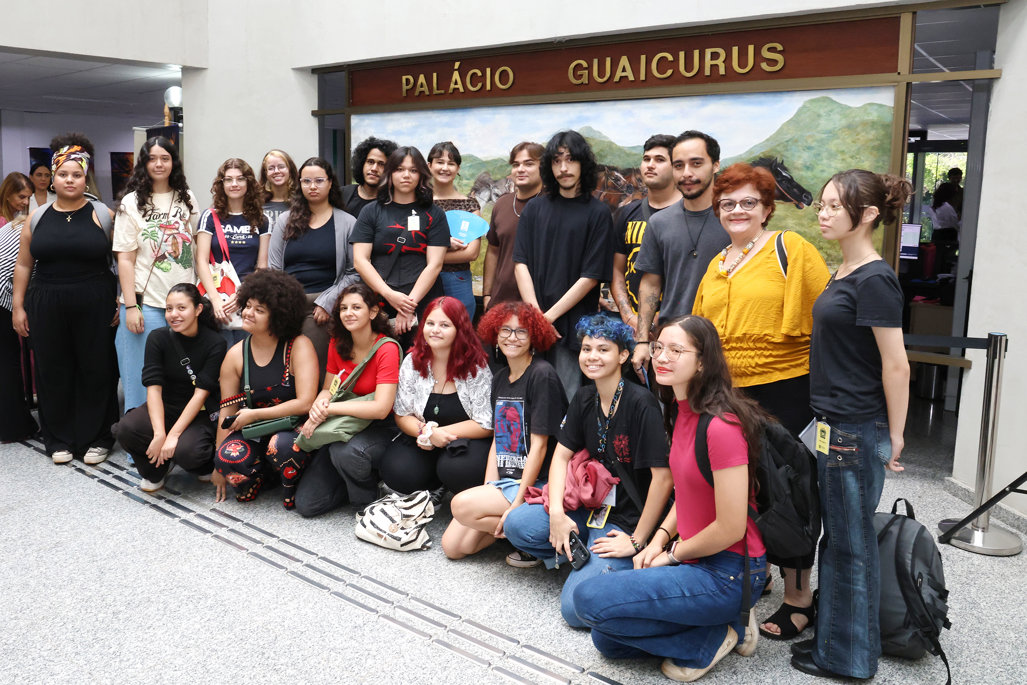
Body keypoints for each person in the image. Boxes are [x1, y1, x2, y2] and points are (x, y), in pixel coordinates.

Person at [573, 315, 767, 683]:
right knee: (606, 638)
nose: (662, 357)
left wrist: (672, 554)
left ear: (703, 362)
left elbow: (731, 527)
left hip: (728, 571)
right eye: (659, 347)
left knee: (588, 600)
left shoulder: (722, 426)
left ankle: (721, 632)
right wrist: (658, 539)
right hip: (694, 559)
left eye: (676, 350)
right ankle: (717, 625)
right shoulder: (681, 412)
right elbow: (689, 494)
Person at [691, 162, 829, 641]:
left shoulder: (791, 248)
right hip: (728, 392)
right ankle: (757, 566)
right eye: (727, 203)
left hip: (784, 388)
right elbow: (702, 331)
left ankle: (799, 598)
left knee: (788, 490)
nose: (737, 210)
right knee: (743, 489)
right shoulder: (717, 262)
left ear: (767, 208)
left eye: (748, 202)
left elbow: (827, 318)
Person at [790, 170, 911, 680]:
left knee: (849, 543)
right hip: (834, 423)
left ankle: (850, 659)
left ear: (868, 215)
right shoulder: (844, 271)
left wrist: (896, 434)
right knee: (839, 539)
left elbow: (896, 364)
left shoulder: (875, 278)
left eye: (835, 206)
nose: (823, 213)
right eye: (822, 204)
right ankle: (838, 642)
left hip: (855, 427)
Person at [502, 315, 673, 626]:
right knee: (518, 525)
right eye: (586, 349)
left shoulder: (641, 403)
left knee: (574, 609)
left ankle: (617, 565)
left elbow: (663, 479)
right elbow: (560, 457)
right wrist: (556, 513)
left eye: (603, 349)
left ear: (623, 355)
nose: (592, 356)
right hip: (589, 506)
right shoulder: (584, 397)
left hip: (627, 520)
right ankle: (587, 558)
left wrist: (637, 540)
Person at [11, 140, 119, 464]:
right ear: (52, 180)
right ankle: (58, 438)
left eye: (76, 174)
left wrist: (122, 299)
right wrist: (18, 306)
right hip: (46, 301)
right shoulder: (37, 217)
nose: (69, 180)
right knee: (52, 369)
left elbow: (122, 261)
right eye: (62, 174)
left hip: (96, 301)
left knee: (96, 368)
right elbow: (23, 265)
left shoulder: (104, 214)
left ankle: (97, 438)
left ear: (86, 179)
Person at [440, 302, 565, 563]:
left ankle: (531, 534)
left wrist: (517, 502)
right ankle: (518, 534)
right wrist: (489, 486)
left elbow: (540, 446)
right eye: (505, 330)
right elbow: (499, 440)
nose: (512, 337)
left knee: (460, 505)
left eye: (521, 331)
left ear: (533, 337)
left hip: (537, 484)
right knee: (454, 547)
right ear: (496, 334)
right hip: (506, 481)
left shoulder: (542, 375)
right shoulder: (500, 378)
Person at [513, 130, 614, 401]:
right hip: (531, 323)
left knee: (566, 399)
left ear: (583, 163)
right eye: (557, 161)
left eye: (570, 160)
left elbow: (591, 276)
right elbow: (520, 264)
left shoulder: (598, 213)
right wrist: (537, 316)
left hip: (572, 327)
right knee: (529, 397)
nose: (564, 168)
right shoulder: (534, 209)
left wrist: (548, 318)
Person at [212, 269, 319, 509]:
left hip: (293, 430)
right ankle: (262, 477)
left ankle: (292, 482)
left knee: (281, 447)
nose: (248, 313)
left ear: (279, 316)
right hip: (255, 431)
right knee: (227, 457)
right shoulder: (235, 355)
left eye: (259, 310)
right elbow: (227, 412)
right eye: (248, 306)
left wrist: (255, 414)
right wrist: (218, 464)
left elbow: (305, 403)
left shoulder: (299, 346)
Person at [293, 282, 401, 516]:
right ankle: (350, 476)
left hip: (380, 427)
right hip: (343, 423)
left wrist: (330, 409)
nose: (348, 313)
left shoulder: (387, 349)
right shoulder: (337, 342)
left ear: (373, 312)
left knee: (345, 452)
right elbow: (328, 389)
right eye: (343, 308)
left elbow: (381, 409)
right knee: (307, 505)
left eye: (356, 307)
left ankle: (366, 502)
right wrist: (320, 405)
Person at [631, 131, 729, 377]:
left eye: (696, 163)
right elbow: (650, 283)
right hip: (671, 344)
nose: (686, 173)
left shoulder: (734, 219)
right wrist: (642, 341)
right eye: (678, 165)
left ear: (715, 165)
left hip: (724, 343)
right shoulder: (660, 222)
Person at [113, 136, 199, 413]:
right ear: (143, 163)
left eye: (165, 158)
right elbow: (125, 259)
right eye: (152, 158)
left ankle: (178, 432)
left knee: (182, 377)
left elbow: (198, 247)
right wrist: (131, 306)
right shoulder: (131, 202)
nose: (159, 164)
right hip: (146, 303)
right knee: (140, 377)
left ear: (174, 162)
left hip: (184, 304)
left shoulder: (187, 198)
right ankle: (138, 434)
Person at [112, 284, 226, 492]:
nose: (174, 314)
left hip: (198, 413)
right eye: (169, 309)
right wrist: (159, 434)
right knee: (126, 429)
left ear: (198, 309)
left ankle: (200, 465)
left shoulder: (215, 343)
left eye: (181, 308)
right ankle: (157, 469)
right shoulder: (158, 338)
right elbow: (153, 388)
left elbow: (201, 394)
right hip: (166, 406)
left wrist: (172, 436)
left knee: (189, 452)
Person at [383, 296, 493, 497]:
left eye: (444, 325)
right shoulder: (412, 361)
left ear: (459, 329)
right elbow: (402, 414)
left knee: (459, 470)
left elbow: (486, 423)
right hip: (423, 437)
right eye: (430, 323)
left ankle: (452, 485)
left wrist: (438, 433)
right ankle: (432, 488)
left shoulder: (475, 366)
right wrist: (427, 432)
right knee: (397, 470)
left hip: (466, 441)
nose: (435, 330)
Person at [269, 156, 358, 381]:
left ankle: (314, 401)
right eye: (306, 181)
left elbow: (354, 272)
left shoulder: (347, 222)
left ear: (330, 183)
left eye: (319, 181)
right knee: (281, 368)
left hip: (323, 305)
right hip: (288, 303)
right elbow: (274, 269)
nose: (312, 186)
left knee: (312, 369)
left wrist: (328, 301)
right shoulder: (285, 220)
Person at [351, 146, 449, 346]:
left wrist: (408, 306)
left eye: (413, 170)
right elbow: (360, 260)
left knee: (421, 357)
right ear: (389, 173)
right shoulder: (371, 211)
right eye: (399, 169)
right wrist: (389, 295)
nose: (406, 175)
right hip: (378, 298)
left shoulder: (435, 214)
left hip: (422, 299)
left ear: (421, 175)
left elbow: (435, 264)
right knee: (379, 355)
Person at [610, 134, 682, 335]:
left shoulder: (689, 213)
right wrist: (629, 317)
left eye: (659, 160)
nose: (650, 165)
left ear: (676, 167)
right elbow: (617, 270)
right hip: (631, 328)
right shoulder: (626, 213)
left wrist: (652, 321)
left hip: (676, 327)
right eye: (646, 159)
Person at [196, 158, 270, 345]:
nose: (234, 184)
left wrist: (242, 296)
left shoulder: (262, 219)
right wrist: (215, 300)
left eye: (240, 179)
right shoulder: (209, 216)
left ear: (249, 182)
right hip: (217, 298)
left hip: (248, 299)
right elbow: (201, 261)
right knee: (218, 355)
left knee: (244, 356)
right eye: (228, 179)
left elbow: (262, 265)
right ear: (221, 184)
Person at [483, 141, 543, 312]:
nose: (520, 169)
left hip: (540, 305)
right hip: (501, 302)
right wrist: (487, 294)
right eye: (516, 165)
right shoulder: (502, 204)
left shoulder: (553, 206)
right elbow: (493, 251)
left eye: (529, 164)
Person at [0, 172, 38, 442]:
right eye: (21, 196)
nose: (25, 202)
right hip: (3, 298)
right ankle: (14, 426)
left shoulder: (14, 222)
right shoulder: (18, 225)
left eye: (29, 198)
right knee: (8, 362)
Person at [428, 141, 482, 319]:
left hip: (457, 279)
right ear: (429, 166)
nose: (445, 168)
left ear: (458, 168)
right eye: (439, 162)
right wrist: (446, 245)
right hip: (421, 278)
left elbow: (472, 253)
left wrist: (427, 255)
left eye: (451, 163)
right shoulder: (419, 203)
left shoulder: (470, 205)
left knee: (460, 327)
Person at [343, 136, 397, 219]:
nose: (374, 168)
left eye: (381, 164)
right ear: (362, 164)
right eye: (370, 162)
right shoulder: (343, 194)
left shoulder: (392, 202)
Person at [258, 149, 298, 230]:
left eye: (281, 167)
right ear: (266, 173)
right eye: (271, 168)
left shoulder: (300, 202)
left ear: (290, 170)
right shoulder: (257, 203)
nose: (276, 171)